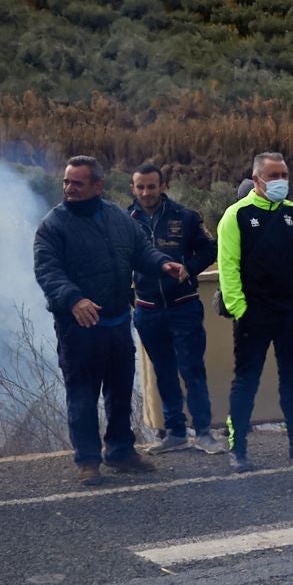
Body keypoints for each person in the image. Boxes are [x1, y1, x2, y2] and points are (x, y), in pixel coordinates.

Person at [33, 156, 186, 485]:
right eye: (66, 182)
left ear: (98, 186)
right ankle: (88, 461)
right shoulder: (53, 225)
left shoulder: (118, 217)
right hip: (79, 327)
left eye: (77, 183)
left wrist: (162, 264)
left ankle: (120, 451)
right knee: (83, 394)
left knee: (119, 391)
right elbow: (47, 270)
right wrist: (74, 299)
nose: (69, 189)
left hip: (117, 323)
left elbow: (141, 250)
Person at [216, 152, 293, 471]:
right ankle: (238, 448)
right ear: (256, 179)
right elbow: (228, 268)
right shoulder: (235, 216)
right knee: (246, 381)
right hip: (254, 315)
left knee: (292, 378)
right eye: (273, 175)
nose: (281, 181)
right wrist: (241, 309)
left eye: (284, 174)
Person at [127, 162, 224, 454]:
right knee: (164, 371)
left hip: (184, 306)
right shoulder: (122, 220)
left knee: (192, 369)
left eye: (152, 186)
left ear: (163, 186)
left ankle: (204, 433)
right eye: (140, 187)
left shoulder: (186, 216)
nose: (146, 192)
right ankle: (175, 432)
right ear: (133, 188)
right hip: (146, 309)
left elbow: (211, 248)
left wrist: (189, 269)